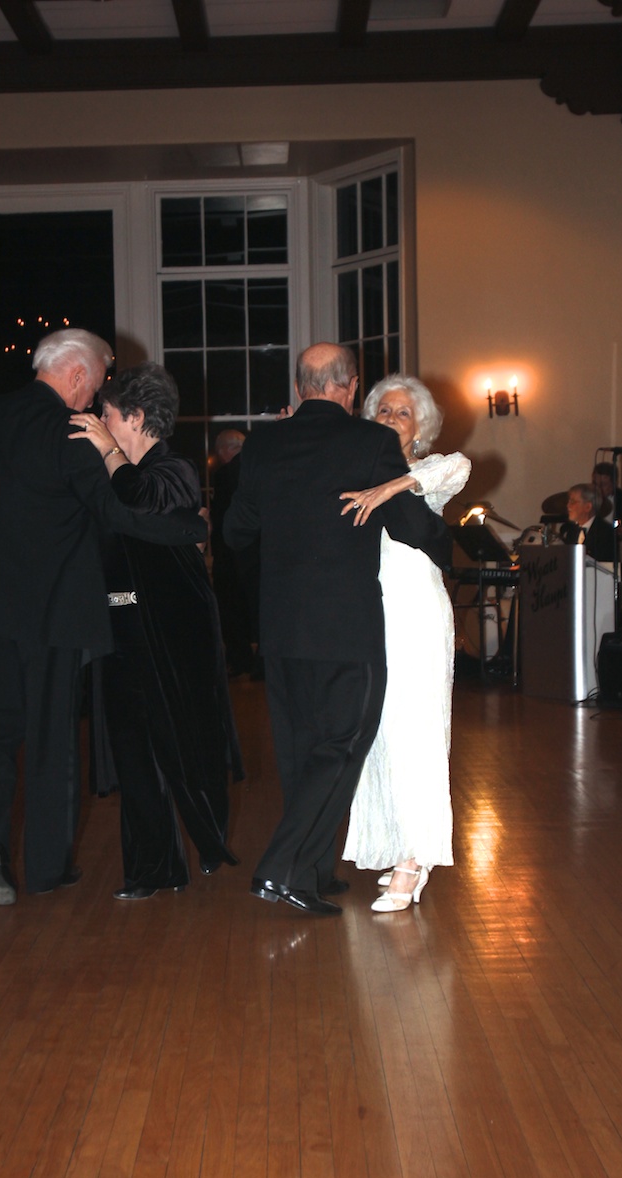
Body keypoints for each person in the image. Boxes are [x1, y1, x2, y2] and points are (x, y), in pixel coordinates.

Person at [0, 330, 208, 906]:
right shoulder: (75, 434)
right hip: (52, 611)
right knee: (50, 738)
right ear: (80, 377)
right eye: (101, 379)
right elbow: (116, 512)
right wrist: (189, 529)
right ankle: (46, 867)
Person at [223, 342, 452, 917]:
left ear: (301, 387)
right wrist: (444, 539)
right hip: (346, 628)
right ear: (350, 387)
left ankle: (315, 871)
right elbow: (410, 530)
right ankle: (280, 868)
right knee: (342, 745)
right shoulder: (370, 443)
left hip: (279, 626)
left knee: (301, 750)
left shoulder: (264, 442)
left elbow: (235, 532)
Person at [69, 363, 242, 899]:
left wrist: (110, 455)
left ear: (138, 418)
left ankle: (208, 840)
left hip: (175, 628)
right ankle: (151, 870)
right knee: (132, 750)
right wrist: (189, 528)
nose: (100, 421)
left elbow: (140, 497)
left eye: (110, 414)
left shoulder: (175, 468)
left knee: (182, 741)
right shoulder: (111, 473)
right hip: (121, 623)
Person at [339, 374, 471, 911]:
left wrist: (390, 487)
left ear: (419, 429)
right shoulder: (361, 468)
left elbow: (458, 466)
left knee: (416, 730)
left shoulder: (427, 471)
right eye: (384, 412)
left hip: (417, 614)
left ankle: (414, 860)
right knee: (382, 731)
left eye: (402, 414)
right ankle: (395, 845)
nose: (392, 420)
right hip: (373, 616)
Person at [209, 428, 261, 679]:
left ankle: (240, 662)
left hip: (232, 555)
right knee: (258, 612)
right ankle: (261, 665)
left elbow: (223, 520)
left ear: (224, 451)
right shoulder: (257, 469)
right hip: (258, 554)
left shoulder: (225, 475)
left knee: (232, 612)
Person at [560, 483, 614, 561]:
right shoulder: (571, 531)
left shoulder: (605, 532)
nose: (568, 506)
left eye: (573, 502)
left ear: (588, 507)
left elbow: (604, 564)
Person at [592, 461, 622, 528]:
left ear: (614, 483)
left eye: (603, 484)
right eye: (595, 484)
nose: (598, 488)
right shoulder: (587, 498)